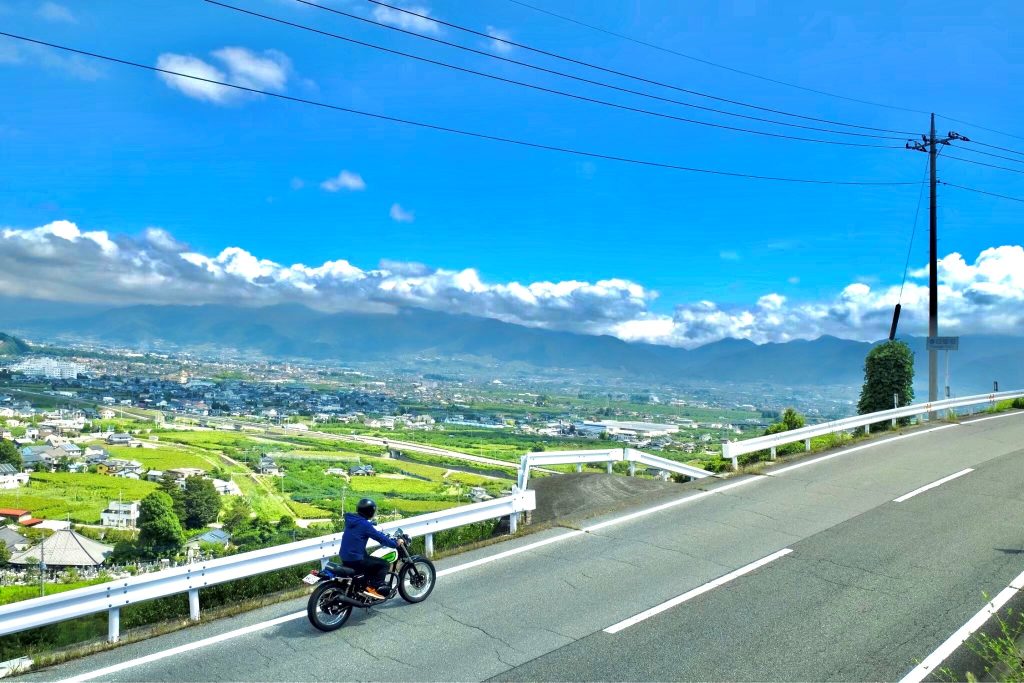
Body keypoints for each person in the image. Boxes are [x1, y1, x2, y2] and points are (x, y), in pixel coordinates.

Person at [340, 498, 403, 600]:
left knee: (368, 559)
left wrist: (371, 524)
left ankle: (364, 586)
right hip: (356, 559)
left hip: (345, 556)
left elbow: (364, 528)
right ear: (370, 511)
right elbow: (380, 538)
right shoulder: (365, 525)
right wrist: (395, 543)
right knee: (383, 564)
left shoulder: (353, 521)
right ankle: (374, 587)